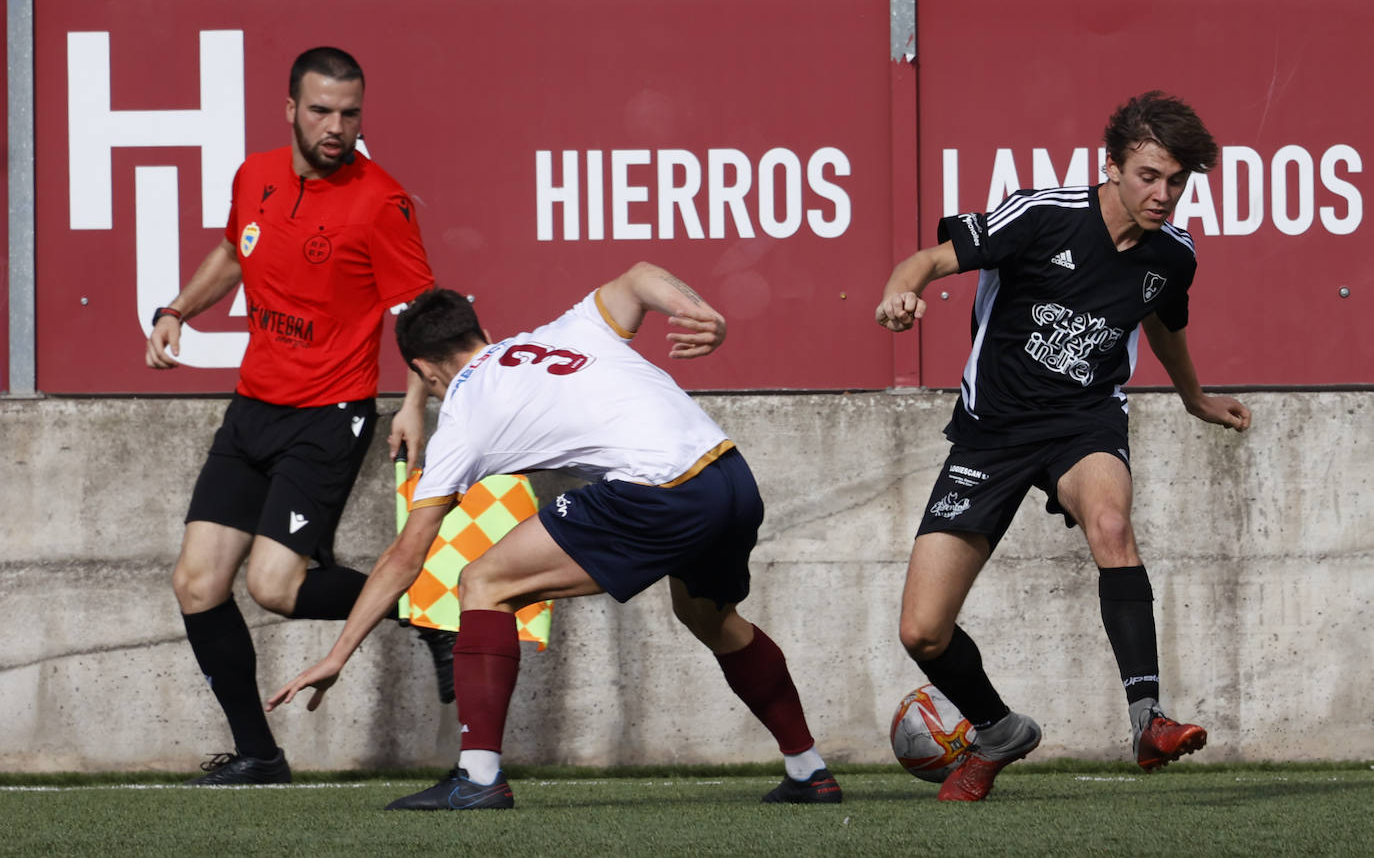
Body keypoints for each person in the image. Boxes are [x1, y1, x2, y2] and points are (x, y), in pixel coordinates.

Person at [266, 261, 842, 810]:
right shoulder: (566, 329)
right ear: (482, 334)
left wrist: (337, 655)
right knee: (709, 617)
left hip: (660, 490)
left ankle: (478, 778)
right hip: (730, 475)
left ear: (423, 370)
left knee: (482, 582)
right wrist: (699, 312)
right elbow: (641, 276)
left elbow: (405, 556)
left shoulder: (462, 414)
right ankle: (808, 771)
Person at [874, 91, 1252, 802]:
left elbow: (1163, 323)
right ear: (1111, 167)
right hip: (991, 436)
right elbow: (925, 262)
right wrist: (899, 295)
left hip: (1086, 423)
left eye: (1175, 182)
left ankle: (1148, 719)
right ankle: (998, 730)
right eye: (1148, 176)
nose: (1163, 194)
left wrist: (1194, 397)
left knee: (1111, 523)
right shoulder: (1041, 216)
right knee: (923, 633)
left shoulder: (1173, 256)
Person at [146, 46, 447, 785]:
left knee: (275, 588)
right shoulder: (254, 175)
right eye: (320, 111)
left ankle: (424, 606)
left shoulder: (383, 202)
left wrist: (414, 405)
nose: (335, 127)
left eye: (349, 113)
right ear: (290, 110)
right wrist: (176, 309)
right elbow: (234, 252)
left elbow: (421, 316)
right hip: (253, 410)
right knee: (196, 584)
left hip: (329, 417)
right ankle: (260, 755)